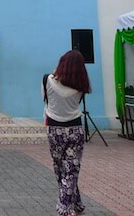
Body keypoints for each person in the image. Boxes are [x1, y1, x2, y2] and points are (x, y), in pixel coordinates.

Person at [41, 50, 91, 216]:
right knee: (71, 169)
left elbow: (45, 100)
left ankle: (64, 208)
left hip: (54, 131)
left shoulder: (46, 80)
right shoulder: (81, 87)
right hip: (75, 130)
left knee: (60, 169)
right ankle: (75, 204)